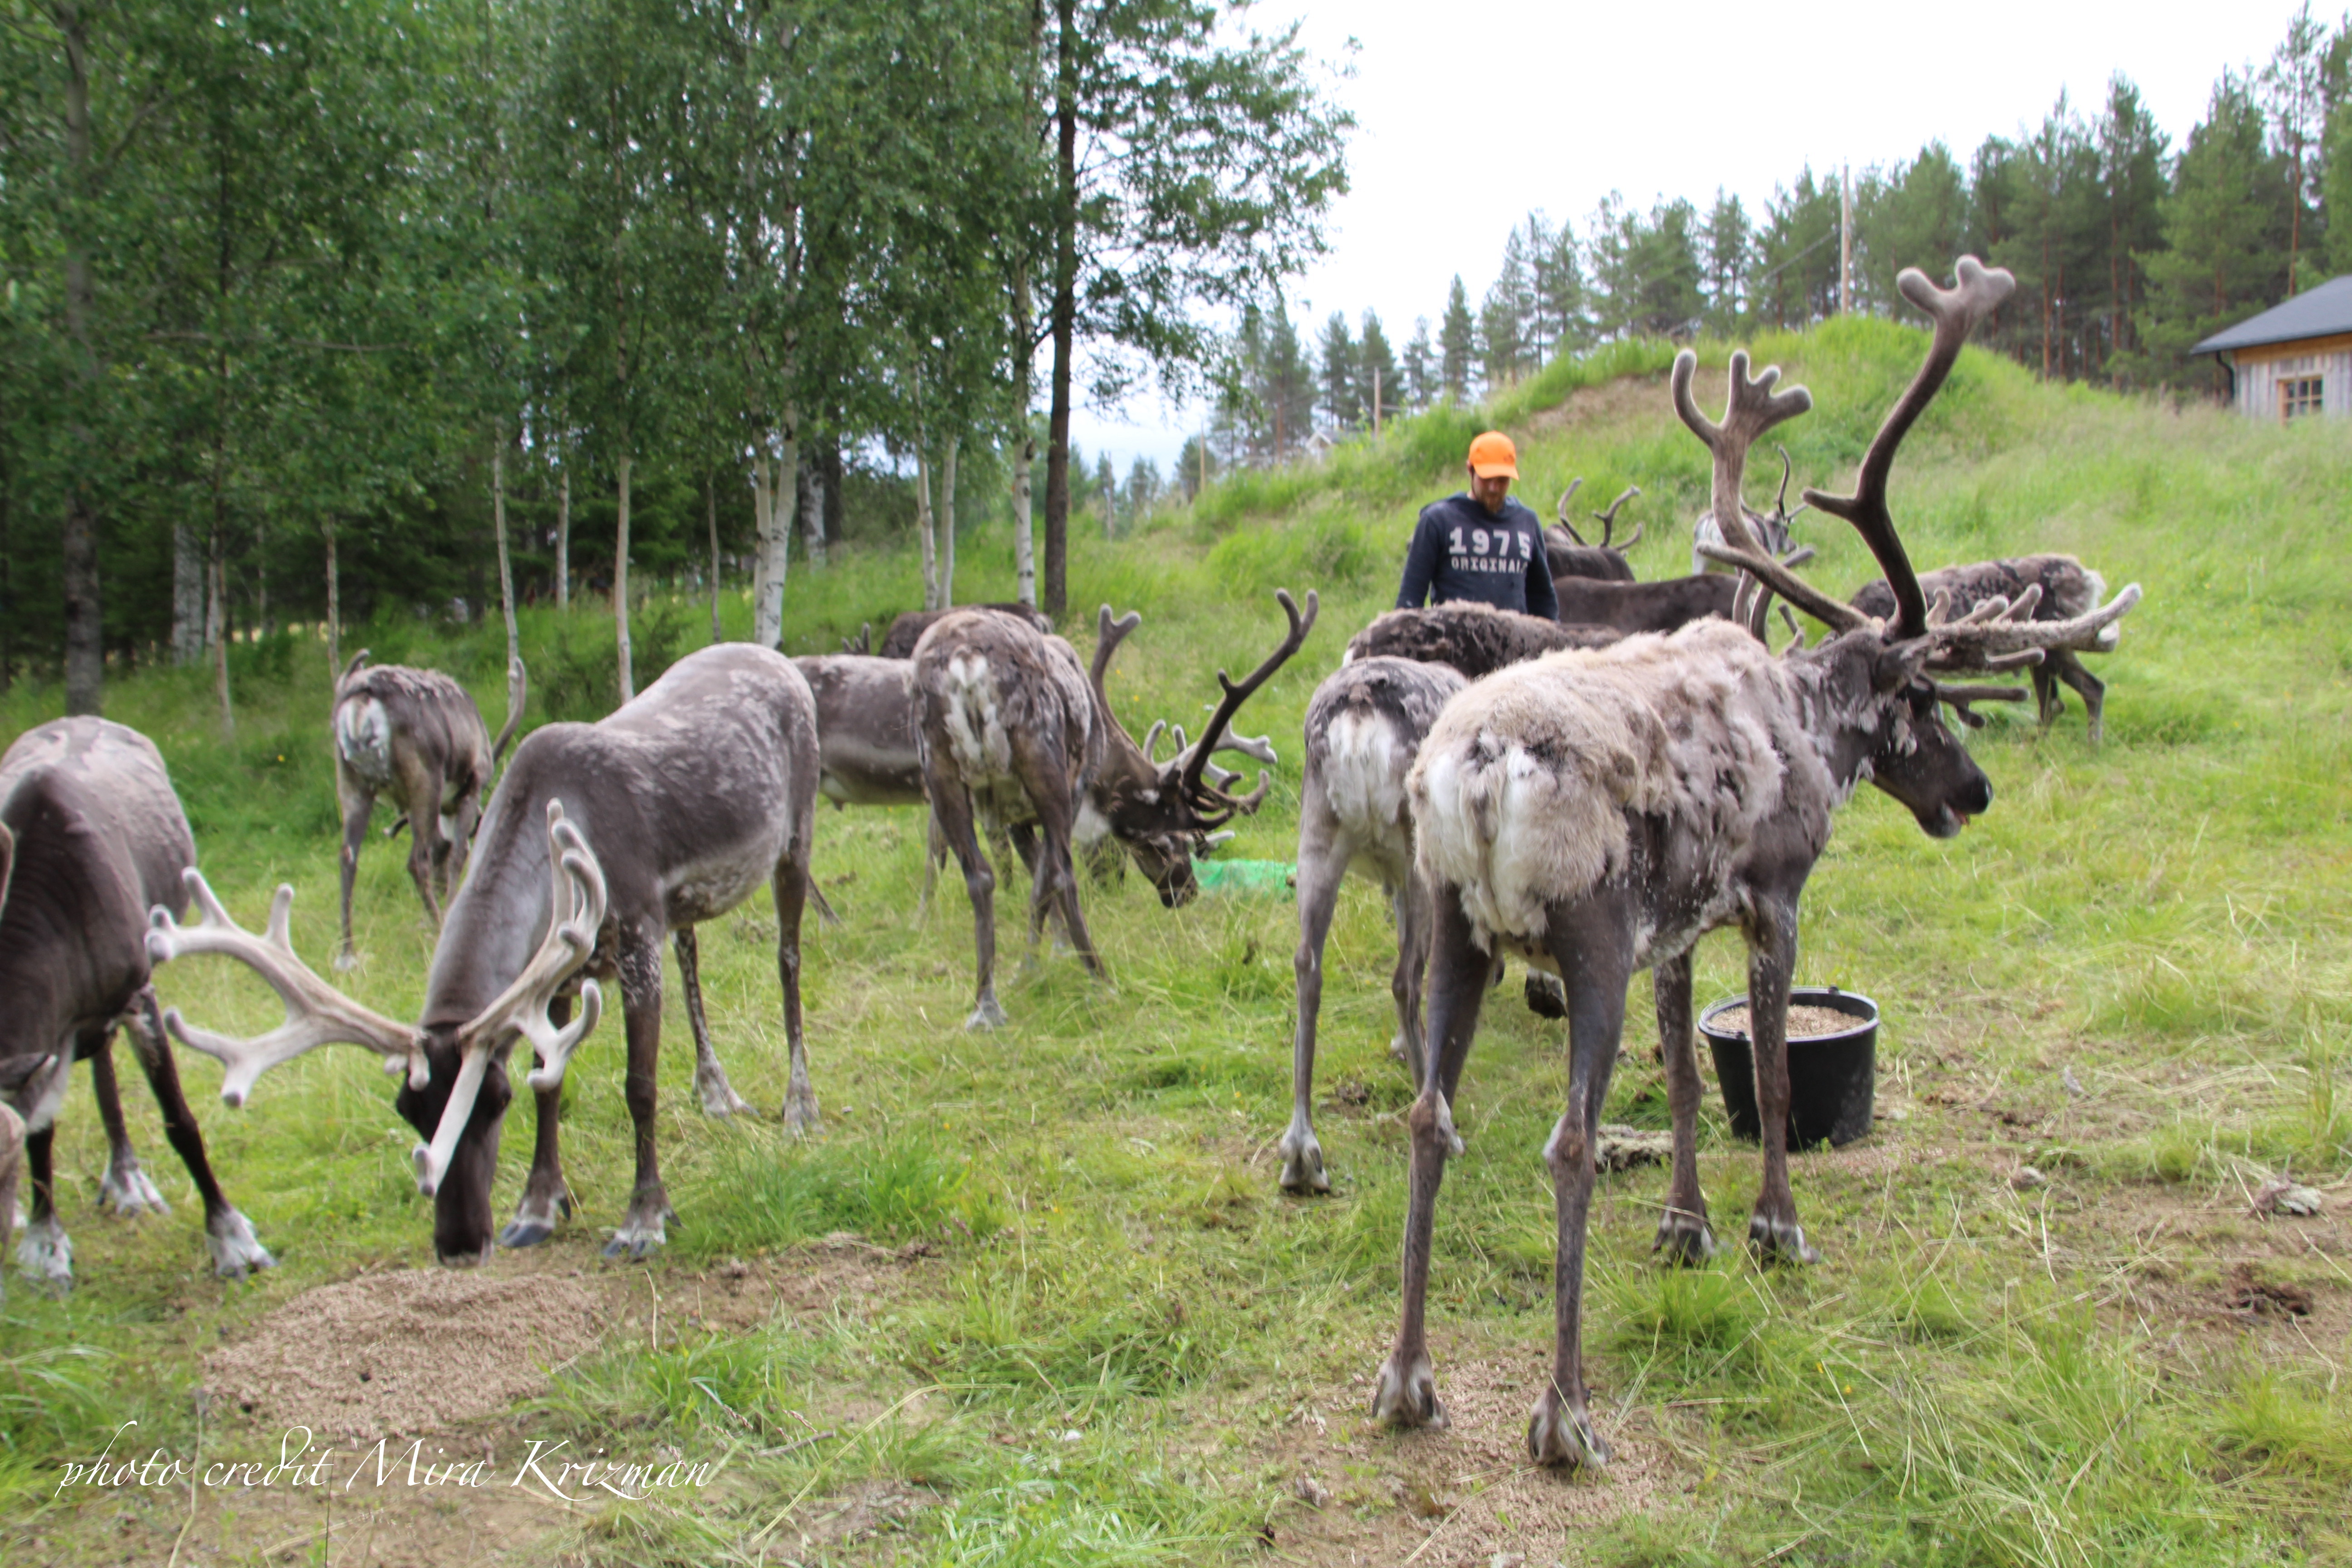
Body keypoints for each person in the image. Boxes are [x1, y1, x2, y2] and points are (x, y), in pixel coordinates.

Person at [1393, 431, 1558, 620]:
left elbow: (1543, 599)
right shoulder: (1438, 521)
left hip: (1514, 637)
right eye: (1486, 479)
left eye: (1502, 480)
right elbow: (1410, 599)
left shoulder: (1526, 522)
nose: (1494, 488)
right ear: (1470, 470)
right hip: (1454, 636)